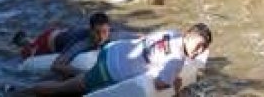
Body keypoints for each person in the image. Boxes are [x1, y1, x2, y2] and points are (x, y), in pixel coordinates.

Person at [16, 23, 212, 96]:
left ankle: (30, 88)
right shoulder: (177, 59)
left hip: (111, 52)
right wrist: (176, 84)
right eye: (198, 45)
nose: (199, 50)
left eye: (203, 48)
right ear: (188, 36)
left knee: (79, 82)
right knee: (66, 89)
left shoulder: (173, 32)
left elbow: (147, 40)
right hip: (111, 70)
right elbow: (161, 84)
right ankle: (22, 91)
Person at [15, 12, 111, 78]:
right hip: (46, 42)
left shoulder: (107, 36)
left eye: (105, 32)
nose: (102, 37)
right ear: (90, 30)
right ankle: (23, 41)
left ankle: (28, 40)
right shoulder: (82, 43)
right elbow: (56, 66)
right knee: (26, 52)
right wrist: (86, 75)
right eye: (97, 32)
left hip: (62, 34)